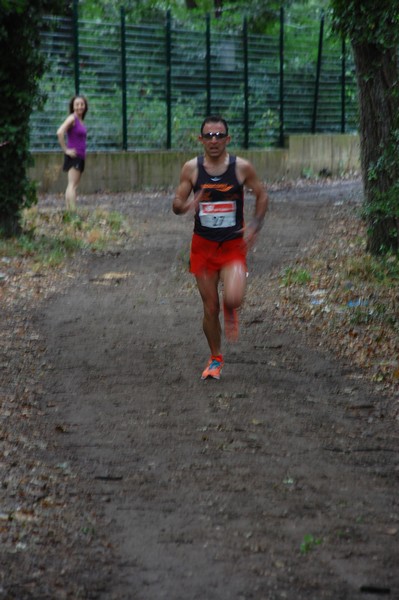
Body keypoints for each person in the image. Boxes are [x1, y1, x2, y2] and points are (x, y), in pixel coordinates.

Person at [173, 115, 269, 380]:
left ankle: (231, 306)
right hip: (203, 247)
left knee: (234, 298)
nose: (213, 141)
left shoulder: (241, 168)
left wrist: (255, 225)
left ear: (227, 139)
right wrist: (186, 206)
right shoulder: (191, 169)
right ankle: (215, 358)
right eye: (208, 136)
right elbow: (176, 204)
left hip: (232, 246)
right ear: (200, 139)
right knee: (210, 308)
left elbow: (261, 195)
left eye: (219, 136)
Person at [56, 95, 88, 212]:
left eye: (82, 104)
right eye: (77, 104)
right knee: (72, 185)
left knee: (72, 185)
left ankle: (69, 212)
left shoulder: (79, 120)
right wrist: (66, 150)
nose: (80, 107)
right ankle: (72, 212)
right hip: (74, 156)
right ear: (73, 107)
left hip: (79, 156)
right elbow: (60, 132)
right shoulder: (72, 118)